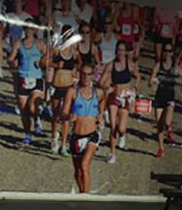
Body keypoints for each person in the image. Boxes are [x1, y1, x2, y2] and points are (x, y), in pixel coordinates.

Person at [64, 63, 105, 193]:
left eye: (89, 74)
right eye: (84, 74)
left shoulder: (98, 92)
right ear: (79, 74)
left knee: (84, 166)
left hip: (92, 135)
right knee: (78, 172)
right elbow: (62, 113)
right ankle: (82, 193)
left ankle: (86, 198)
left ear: (93, 75)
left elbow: (103, 102)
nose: (86, 77)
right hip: (76, 136)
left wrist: (101, 115)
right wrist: (69, 116)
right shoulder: (72, 92)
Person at [9, 19, 46, 144]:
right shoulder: (18, 44)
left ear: (35, 30)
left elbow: (48, 58)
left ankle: (36, 119)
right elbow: (10, 59)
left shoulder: (39, 44)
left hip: (36, 78)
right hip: (23, 78)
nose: (29, 30)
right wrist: (14, 66)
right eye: (27, 27)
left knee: (32, 106)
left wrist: (41, 63)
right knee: (24, 109)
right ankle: (27, 134)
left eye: (32, 28)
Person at [101, 40, 137, 164]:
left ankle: (122, 135)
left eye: (122, 50)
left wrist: (134, 89)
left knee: (121, 128)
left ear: (125, 52)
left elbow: (138, 77)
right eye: (118, 50)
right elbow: (101, 82)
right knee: (113, 126)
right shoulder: (110, 65)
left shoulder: (130, 64)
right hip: (114, 98)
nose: (120, 53)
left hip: (125, 98)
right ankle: (112, 154)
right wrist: (108, 87)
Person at [149, 44, 182, 158]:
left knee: (167, 122)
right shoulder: (158, 65)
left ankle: (169, 129)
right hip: (159, 97)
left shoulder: (175, 67)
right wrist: (153, 83)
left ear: (172, 53)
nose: (167, 53)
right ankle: (161, 148)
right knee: (159, 124)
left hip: (170, 97)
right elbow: (150, 80)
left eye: (169, 51)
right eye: (165, 51)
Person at [49, 26, 78, 154]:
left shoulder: (74, 52)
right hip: (57, 86)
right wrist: (56, 65)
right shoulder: (56, 50)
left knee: (65, 116)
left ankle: (64, 145)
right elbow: (45, 62)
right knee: (55, 115)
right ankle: (54, 139)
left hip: (68, 87)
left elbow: (79, 64)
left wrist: (75, 71)